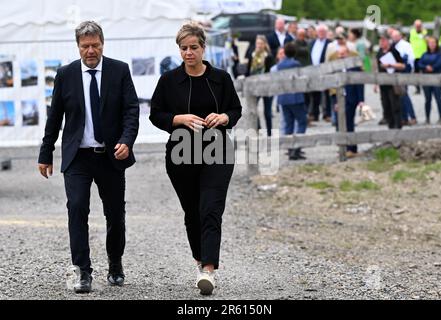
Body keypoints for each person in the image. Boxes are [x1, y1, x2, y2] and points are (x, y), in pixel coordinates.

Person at [38, 21, 139, 293]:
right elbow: (54, 117)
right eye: (85, 46)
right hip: (78, 158)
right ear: (78, 47)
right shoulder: (66, 74)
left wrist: (126, 141)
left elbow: (131, 111)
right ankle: (82, 271)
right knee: (77, 208)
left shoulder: (119, 70)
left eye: (95, 45)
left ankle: (115, 262)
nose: (91, 51)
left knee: (115, 214)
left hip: (110, 156)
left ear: (103, 44)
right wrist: (45, 153)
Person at [149, 22, 242, 296]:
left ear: (203, 48)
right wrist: (178, 119)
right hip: (181, 154)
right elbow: (156, 114)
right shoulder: (169, 81)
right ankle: (200, 260)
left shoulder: (221, 78)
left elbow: (235, 109)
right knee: (193, 212)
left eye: (193, 48)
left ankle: (209, 270)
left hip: (217, 151)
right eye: (184, 48)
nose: (189, 53)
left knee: (211, 209)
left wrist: (224, 117)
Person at [329, 46, 365, 158]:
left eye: (343, 54)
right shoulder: (336, 68)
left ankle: (352, 149)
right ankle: (343, 148)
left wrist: (361, 100)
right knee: (339, 124)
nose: (341, 56)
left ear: (348, 54)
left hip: (351, 98)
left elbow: (359, 84)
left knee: (349, 123)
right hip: (339, 99)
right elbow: (333, 86)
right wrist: (335, 100)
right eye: (339, 54)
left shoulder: (354, 67)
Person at [274, 42, 307, 161]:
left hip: (283, 97)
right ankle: (296, 148)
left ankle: (289, 149)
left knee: (289, 124)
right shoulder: (296, 64)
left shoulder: (280, 65)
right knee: (302, 122)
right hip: (296, 97)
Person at [246, 35, 275, 136]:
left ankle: (269, 132)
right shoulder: (252, 55)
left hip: (267, 86)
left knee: (267, 111)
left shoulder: (269, 56)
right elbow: (248, 70)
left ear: (264, 45)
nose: (259, 45)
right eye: (257, 43)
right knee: (253, 108)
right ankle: (258, 128)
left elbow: (271, 72)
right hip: (254, 86)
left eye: (261, 44)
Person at [376, 32, 406, 129]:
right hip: (383, 82)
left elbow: (402, 65)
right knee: (386, 106)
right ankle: (391, 128)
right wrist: (376, 83)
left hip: (393, 83)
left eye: (383, 40)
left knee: (395, 106)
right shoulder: (379, 52)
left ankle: (398, 127)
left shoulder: (393, 51)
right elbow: (378, 68)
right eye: (380, 40)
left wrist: (390, 65)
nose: (381, 42)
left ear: (388, 41)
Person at [391, 30, 417, 126]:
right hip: (396, 72)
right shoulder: (393, 46)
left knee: (404, 95)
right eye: (393, 36)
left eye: (396, 36)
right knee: (400, 96)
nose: (395, 38)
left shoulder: (405, 45)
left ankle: (412, 117)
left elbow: (410, 59)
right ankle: (404, 118)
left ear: (400, 36)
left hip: (404, 71)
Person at [418, 36, 441, 125]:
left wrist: (432, 67)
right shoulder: (425, 54)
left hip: (436, 79)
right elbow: (419, 63)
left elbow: (440, 63)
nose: (432, 44)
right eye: (430, 43)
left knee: (438, 98)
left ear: (436, 44)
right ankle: (427, 118)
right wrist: (426, 67)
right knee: (427, 99)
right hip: (426, 80)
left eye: (433, 43)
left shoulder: (439, 54)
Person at [309, 24, 332, 122]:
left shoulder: (330, 43)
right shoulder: (312, 42)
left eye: (323, 32)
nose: (321, 33)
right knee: (314, 94)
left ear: (326, 33)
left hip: (325, 70)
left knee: (327, 93)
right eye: (320, 32)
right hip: (313, 71)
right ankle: (314, 114)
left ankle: (327, 114)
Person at [409, 19, 428, 94]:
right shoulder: (412, 32)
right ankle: (417, 88)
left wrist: (423, 33)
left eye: (419, 25)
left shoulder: (424, 32)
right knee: (416, 72)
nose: (418, 27)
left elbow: (427, 40)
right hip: (415, 55)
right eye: (416, 25)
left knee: (424, 71)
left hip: (423, 55)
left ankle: (426, 87)